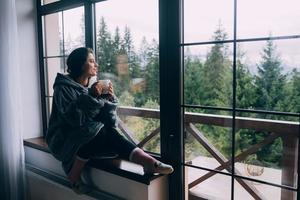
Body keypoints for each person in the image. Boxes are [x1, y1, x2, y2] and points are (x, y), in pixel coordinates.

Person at [46, 47, 173, 194]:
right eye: (92, 61)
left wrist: (109, 100)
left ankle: (147, 162)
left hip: (87, 139)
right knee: (100, 133)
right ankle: (148, 162)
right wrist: (92, 96)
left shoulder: (88, 90)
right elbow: (74, 121)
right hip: (64, 140)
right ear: (80, 64)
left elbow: (109, 122)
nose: (96, 65)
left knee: (107, 132)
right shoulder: (63, 89)